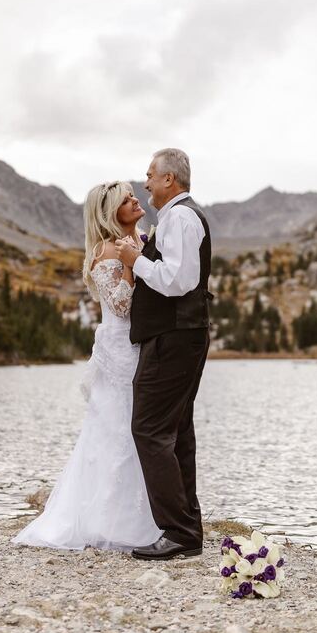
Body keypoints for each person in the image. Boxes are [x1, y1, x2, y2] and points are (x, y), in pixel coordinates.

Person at [12, 181, 163, 550]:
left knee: (140, 429)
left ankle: (151, 516)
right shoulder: (106, 251)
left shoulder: (142, 238)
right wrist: (130, 264)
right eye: (126, 199)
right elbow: (122, 306)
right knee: (117, 430)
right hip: (119, 349)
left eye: (133, 194)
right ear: (111, 212)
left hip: (142, 345)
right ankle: (112, 523)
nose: (134, 200)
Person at [116, 148, 212, 561]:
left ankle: (178, 531)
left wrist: (136, 261)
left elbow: (178, 281)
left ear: (169, 179)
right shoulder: (173, 218)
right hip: (176, 336)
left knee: (150, 429)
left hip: (174, 337)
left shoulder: (181, 217)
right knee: (176, 433)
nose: (146, 183)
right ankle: (187, 530)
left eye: (151, 176)